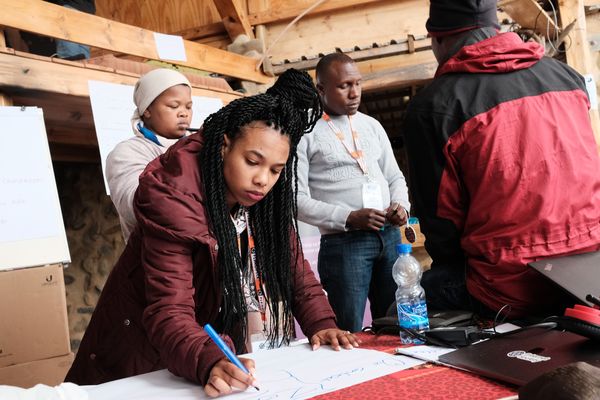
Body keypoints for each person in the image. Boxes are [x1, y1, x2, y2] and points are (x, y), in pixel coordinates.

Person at [65, 69, 359, 397]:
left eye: (276, 170)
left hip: (193, 343)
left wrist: (323, 324)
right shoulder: (174, 195)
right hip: (136, 352)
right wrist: (207, 358)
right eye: (252, 162)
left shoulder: (261, 193)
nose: (263, 179)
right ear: (224, 146)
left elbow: (293, 266)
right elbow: (170, 309)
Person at [403, 0, 600, 319]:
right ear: (496, 29)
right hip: (589, 276)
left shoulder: (433, 107)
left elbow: (442, 228)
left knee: (401, 306)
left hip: (505, 288)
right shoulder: (568, 78)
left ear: (437, 39)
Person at [296, 53, 410, 333]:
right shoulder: (303, 131)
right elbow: (294, 200)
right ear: (321, 89)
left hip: (389, 236)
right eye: (344, 85)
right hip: (344, 245)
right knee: (348, 330)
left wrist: (401, 205)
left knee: (396, 325)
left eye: (357, 83)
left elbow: (394, 176)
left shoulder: (371, 125)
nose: (354, 92)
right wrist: (348, 217)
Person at [106, 68, 192, 242]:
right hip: (152, 259)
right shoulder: (126, 153)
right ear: (147, 109)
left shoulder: (198, 147)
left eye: (188, 107)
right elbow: (136, 207)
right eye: (173, 106)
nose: (184, 113)